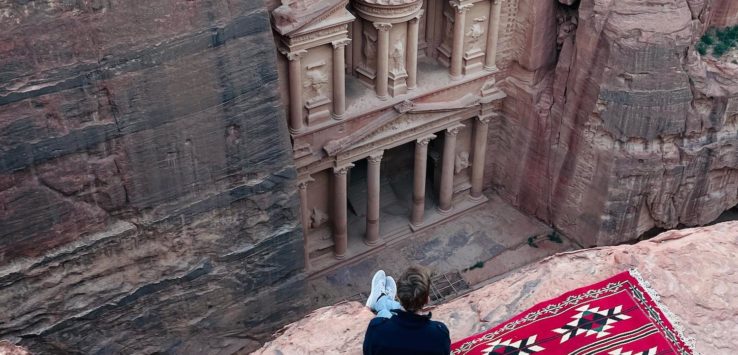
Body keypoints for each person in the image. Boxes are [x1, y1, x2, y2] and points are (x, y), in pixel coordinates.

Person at [363, 267, 451, 355]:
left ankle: (381, 300)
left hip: (390, 328)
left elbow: (368, 352)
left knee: (385, 313)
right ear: (427, 300)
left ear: (398, 296)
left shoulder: (377, 328)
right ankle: (382, 300)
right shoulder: (439, 334)